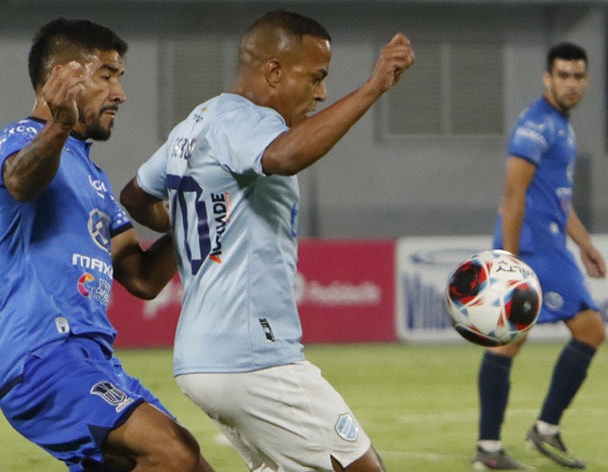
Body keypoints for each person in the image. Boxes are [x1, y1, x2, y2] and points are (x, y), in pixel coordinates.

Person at [120, 9, 414, 472]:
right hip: (251, 357)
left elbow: (135, 197)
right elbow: (284, 155)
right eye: (316, 77)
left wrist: (196, 219)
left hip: (201, 358)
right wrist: (373, 87)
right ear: (274, 71)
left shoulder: (196, 123)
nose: (321, 93)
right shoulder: (245, 121)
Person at [0, 18, 213, 472]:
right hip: (41, 357)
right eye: (106, 76)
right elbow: (21, 182)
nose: (119, 93)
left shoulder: (96, 180)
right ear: (62, 76)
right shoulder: (18, 138)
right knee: (172, 453)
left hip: (93, 362)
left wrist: (196, 215)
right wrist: (59, 124)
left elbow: (142, 278)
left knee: (194, 465)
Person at [472, 43, 607, 470]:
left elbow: (556, 199)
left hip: (548, 244)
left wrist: (584, 243)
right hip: (534, 248)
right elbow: (513, 195)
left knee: (511, 342)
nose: (572, 83)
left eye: (578, 76)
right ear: (548, 78)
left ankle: (491, 448)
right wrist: (509, 263)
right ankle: (539, 431)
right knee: (589, 330)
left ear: (586, 80)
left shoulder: (561, 126)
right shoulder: (536, 125)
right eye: (563, 75)